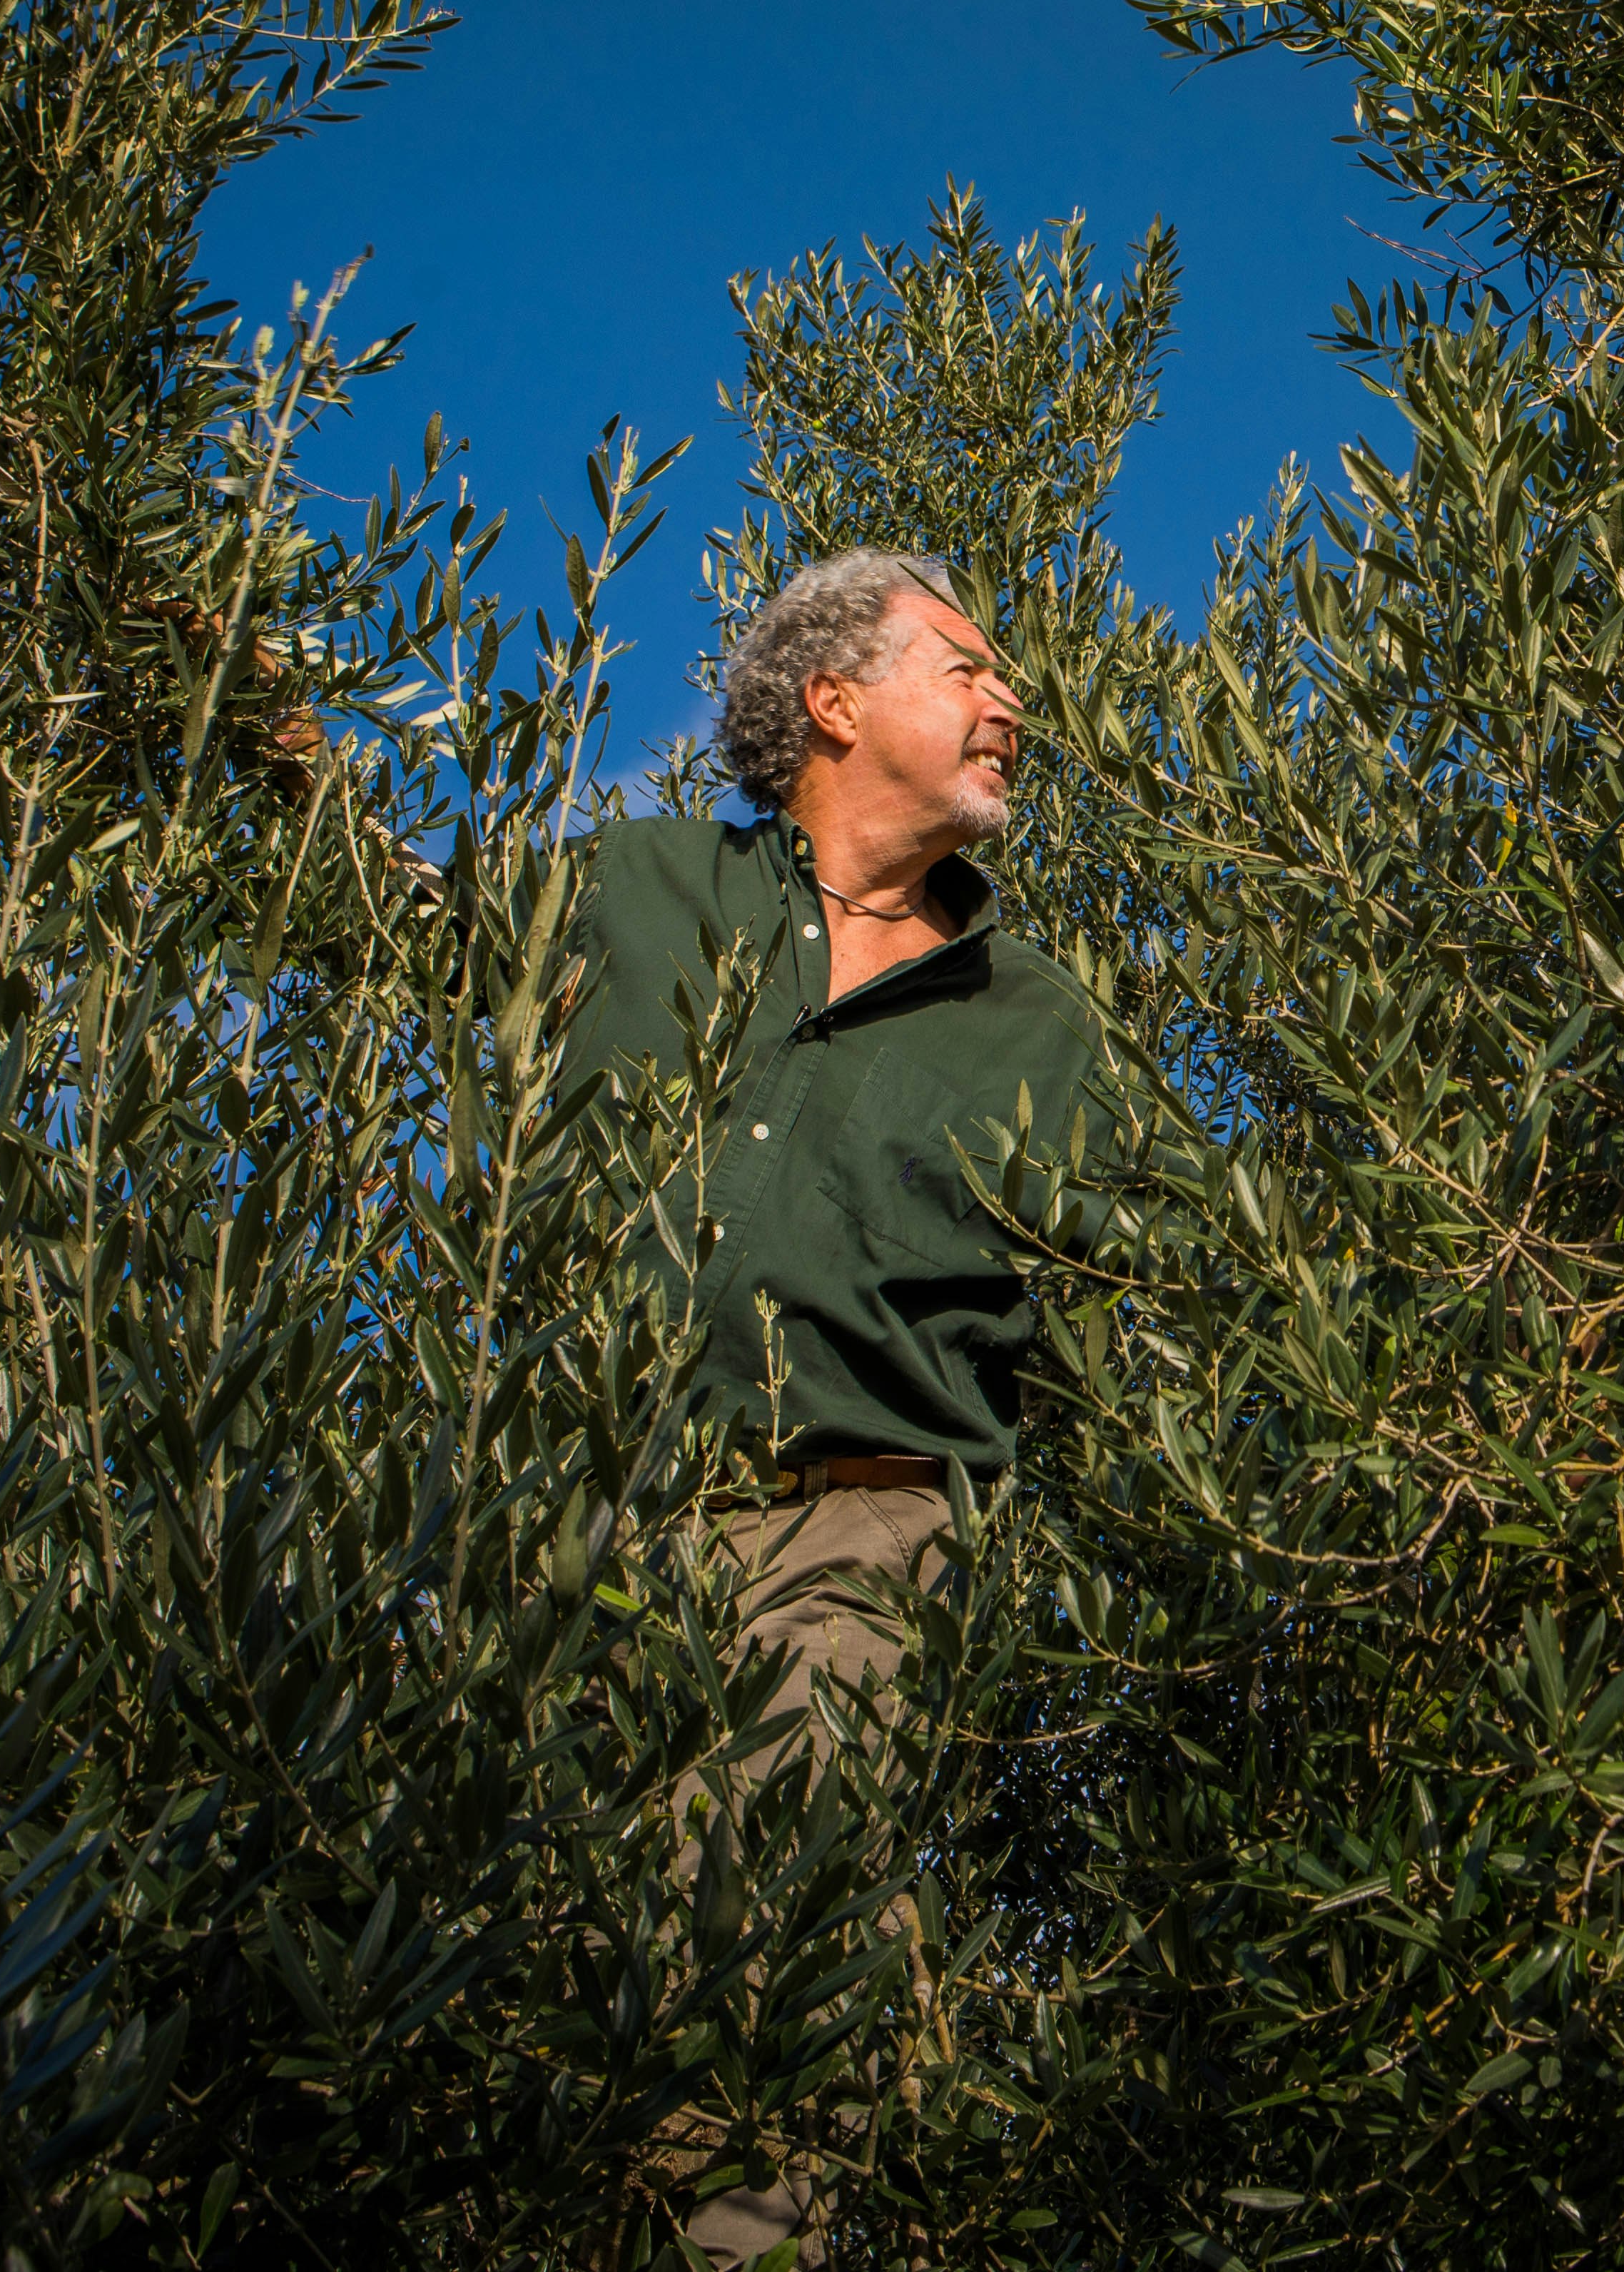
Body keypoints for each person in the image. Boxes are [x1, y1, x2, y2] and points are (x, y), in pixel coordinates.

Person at [552, 547, 1103, 2267]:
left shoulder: (1036, 1020)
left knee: (772, 1954)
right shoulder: (633, 887)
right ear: (834, 701)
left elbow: (1122, 1304)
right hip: (576, 1508)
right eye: (967, 664)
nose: (1011, 699)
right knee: (538, 1954)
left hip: (858, 1527)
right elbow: (367, 899)